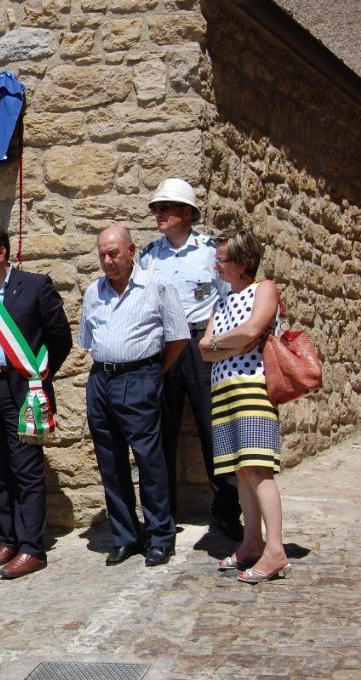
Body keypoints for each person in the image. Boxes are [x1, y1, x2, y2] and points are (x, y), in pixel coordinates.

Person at [0, 225, 72, 579]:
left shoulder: (35, 286)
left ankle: (31, 547)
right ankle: (8, 538)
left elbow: (59, 337)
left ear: (1, 253)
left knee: (26, 468)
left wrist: (39, 375)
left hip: (20, 390)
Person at [78, 226, 188, 567]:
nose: (108, 261)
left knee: (149, 460)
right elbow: (87, 338)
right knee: (110, 461)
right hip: (101, 379)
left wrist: (154, 372)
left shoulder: (157, 286)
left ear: (131, 250)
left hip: (140, 376)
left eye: (114, 253)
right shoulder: (94, 292)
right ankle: (126, 536)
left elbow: (179, 338)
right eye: (102, 255)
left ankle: (160, 536)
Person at [140, 178, 242, 539]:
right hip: (164, 343)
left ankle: (227, 512)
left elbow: (228, 298)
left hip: (202, 343)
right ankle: (162, 516)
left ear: (187, 213)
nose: (158, 214)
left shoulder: (210, 251)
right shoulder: (148, 255)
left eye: (165, 207)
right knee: (160, 431)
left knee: (214, 430)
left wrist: (219, 342)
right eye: (156, 208)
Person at [200, 230, 290, 583]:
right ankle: (252, 541)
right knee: (240, 471)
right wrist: (230, 343)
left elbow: (253, 329)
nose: (216, 264)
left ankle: (276, 550)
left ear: (241, 263)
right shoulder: (221, 302)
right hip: (223, 390)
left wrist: (223, 342)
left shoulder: (263, 289)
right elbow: (203, 350)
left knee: (258, 468)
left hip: (252, 387)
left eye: (222, 259)